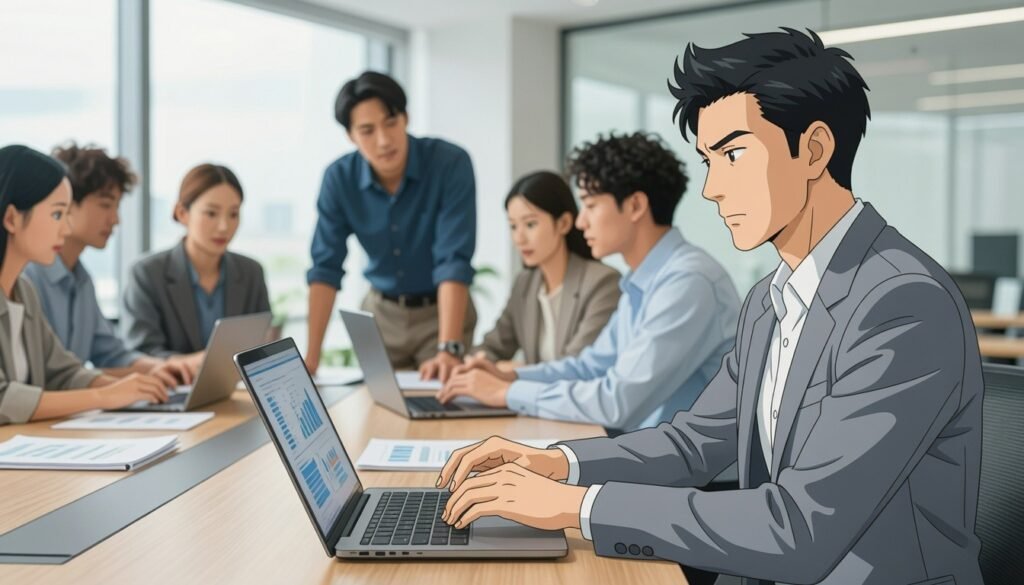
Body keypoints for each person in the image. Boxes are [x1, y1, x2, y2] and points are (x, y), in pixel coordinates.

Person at [435, 29, 983, 585]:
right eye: (707, 161)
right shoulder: (770, 300)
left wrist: (575, 506)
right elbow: (693, 442)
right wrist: (556, 462)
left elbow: (801, 526)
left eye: (733, 155)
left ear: (814, 150)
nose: (712, 189)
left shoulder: (902, 302)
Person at [438, 132, 740, 433]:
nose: (581, 222)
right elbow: (590, 367)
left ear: (635, 206)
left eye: (590, 205)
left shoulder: (688, 283)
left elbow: (616, 402)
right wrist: (511, 378)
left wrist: (506, 394)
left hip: (696, 463)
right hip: (654, 448)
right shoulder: (641, 283)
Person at [305, 71, 476, 382]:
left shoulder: (450, 163)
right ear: (350, 136)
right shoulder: (339, 179)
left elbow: (453, 260)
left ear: (406, 118)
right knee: (378, 404)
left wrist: (448, 348)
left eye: (391, 122)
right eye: (367, 130)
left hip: (440, 315)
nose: (383, 140)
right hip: (381, 316)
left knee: (442, 399)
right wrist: (311, 360)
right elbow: (325, 268)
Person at [0, 145, 169, 425]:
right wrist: (103, 397)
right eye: (57, 215)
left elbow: (63, 372)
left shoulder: (24, 292)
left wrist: (125, 388)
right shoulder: (33, 284)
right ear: (11, 218)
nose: (65, 229)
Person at [23, 143, 193, 386]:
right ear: (67, 202)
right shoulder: (27, 280)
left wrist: (160, 367)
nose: (115, 219)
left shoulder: (82, 280)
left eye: (117, 206)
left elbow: (110, 353)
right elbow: (46, 379)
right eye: (105, 205)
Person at [470, 170, 619, 367]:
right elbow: (492, 346)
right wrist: (479, 362)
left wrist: (517, 371)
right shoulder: (525, 284)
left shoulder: (603, 283)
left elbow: (577, 366)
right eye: (513, 226)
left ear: (564, 223)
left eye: (530, 224)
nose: (519, 238)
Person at [121, 163, 270, 358]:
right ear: (182, 213)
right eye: (211, 213)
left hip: (235, 379)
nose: (224, 226)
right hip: (172, 379)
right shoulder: (147, 273)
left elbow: (261, 345)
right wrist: (192, 363)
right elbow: (142, 352)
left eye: (233, 214)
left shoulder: (251, 272)